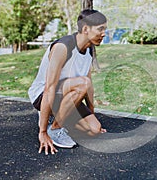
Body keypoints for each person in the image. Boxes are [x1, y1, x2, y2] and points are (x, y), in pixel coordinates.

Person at [28, 9, 107, 155]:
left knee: (94, 130)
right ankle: (55, 128)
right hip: (43, 95)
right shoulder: (63, 47)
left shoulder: (89, 50)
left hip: (68, 95)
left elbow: (89, 87)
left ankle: (61, 116)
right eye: (100, 29)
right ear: (85, 29)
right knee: (83, 83)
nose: (104, 34)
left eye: (105, 29)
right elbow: (49, 88)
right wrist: (43, 131)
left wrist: (92, 113)